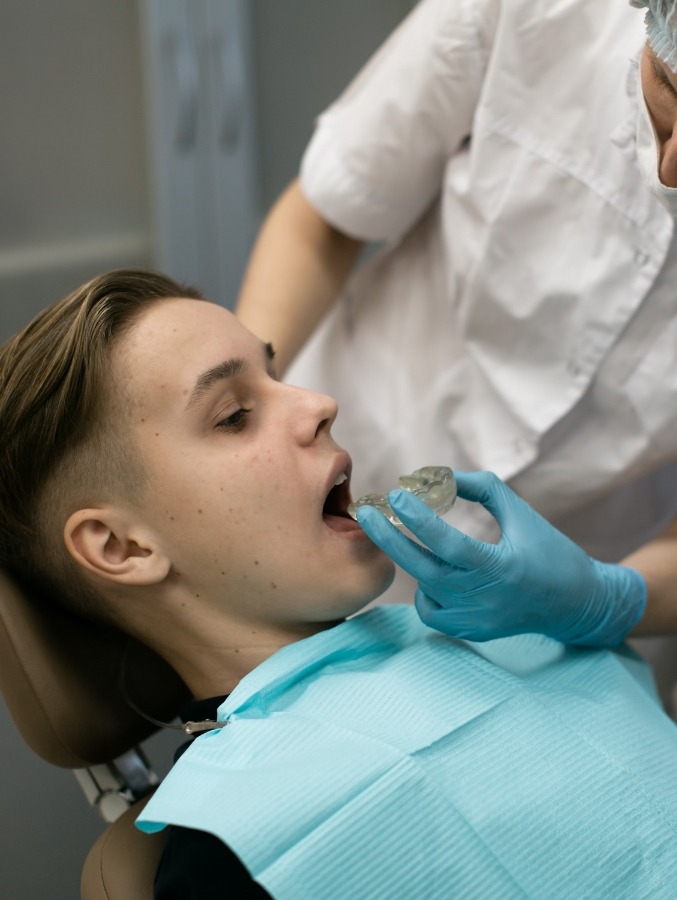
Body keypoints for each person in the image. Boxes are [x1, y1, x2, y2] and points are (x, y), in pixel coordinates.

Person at [1, 270, 677, 899]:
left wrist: (605, 601)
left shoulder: (509, 629)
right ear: (122, 547)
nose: (320, 403)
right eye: (234, 414)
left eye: (278, 375)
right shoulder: (236, 850)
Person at [235, 0, 677, 654]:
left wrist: (601, 595)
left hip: (571, 584)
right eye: (667, 88)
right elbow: (325, 219)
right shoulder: (527, 12)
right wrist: (246, 414)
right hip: (353, 446)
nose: (669, 169)